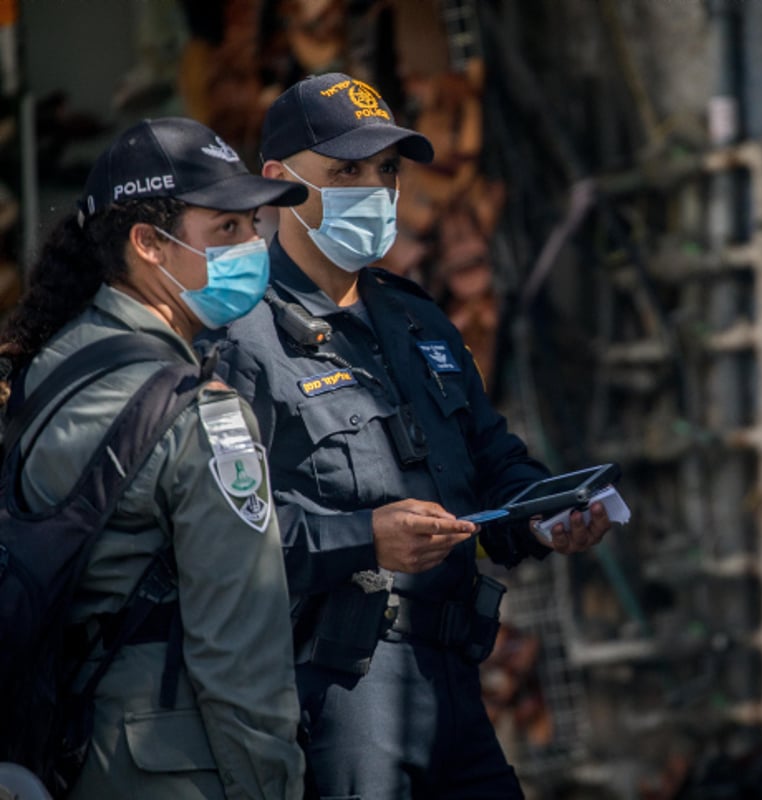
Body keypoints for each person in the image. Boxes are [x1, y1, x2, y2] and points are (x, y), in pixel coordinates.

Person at [208, 72, 612, 799]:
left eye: (387, 170)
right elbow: (216, 538)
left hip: (452, 676)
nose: (375, 188)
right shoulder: (239, 338)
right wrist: (364, 537)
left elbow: (492, 462)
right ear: (276, 182)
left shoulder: (418, 320)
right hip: (335, 687)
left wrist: (543, 515)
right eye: (347, 171)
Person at [0, 117, 309, 798]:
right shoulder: (204, 417)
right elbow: (241, 655)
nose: (252, 244)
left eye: (252, 226)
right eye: (225, 229)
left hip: (68, 755)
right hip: (176, 771)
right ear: (149, 245)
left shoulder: (48, 366)